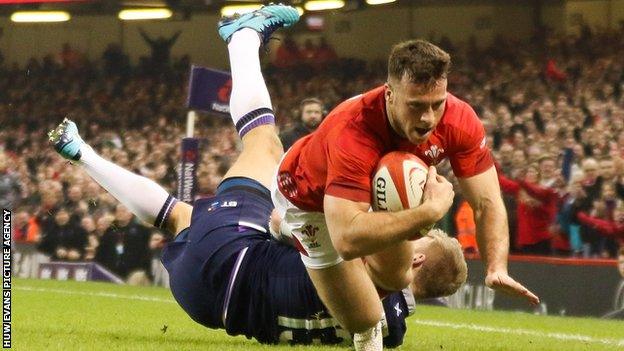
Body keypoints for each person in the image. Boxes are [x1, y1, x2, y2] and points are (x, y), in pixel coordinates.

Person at [48, 5, 467, 347]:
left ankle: (243, 37)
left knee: (265, 144)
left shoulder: (374, 264)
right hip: (203, 302)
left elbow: (284, 224)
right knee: (177, 217)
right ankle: (80, 152)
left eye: (419, 240)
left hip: (233, 258)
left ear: (415, 258)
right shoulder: (391, 329)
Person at [269, 35, 540, 342]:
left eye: (437, 104)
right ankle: (288, 230)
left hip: (364, 195)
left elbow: (488, 202)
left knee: (397, 276)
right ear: (389, 95)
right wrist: (430, 211)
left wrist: (496, 266)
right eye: (416, 106)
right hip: (306, 198)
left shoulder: (458, 118)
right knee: (364, 318)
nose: (428, 118)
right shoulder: (353, 130)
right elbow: (347, 239)